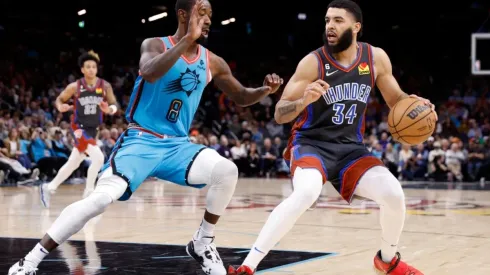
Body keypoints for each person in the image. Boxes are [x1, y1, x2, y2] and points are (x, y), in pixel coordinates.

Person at [8, 0, 283, 274]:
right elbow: (149, 72)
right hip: (141, 140)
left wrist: (264, 90)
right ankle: (29, 261)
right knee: (100, 200)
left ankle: (202, 242)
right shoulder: (155, 44)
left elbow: (240, 95)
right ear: (182, 15)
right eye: (202, 13)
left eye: (211, 14)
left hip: (178, 146)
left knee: (227, 170)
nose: (209, 19)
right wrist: (187, 39)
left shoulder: (213, 61)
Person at [227, 1, 436, 274]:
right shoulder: (313, 63)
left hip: (351, 150)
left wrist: (418, 106)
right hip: (311, 145)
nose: (330, 26)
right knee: (306, 192)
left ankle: (387, 259)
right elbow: (280, 113)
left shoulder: (375, 58)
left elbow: (396, 100)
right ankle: (247, 267)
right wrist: (304, 100)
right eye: (327, 21)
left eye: (338, 20)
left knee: (394, 194)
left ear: (356, 27)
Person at [40, 51, 118, 208]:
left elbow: (114, 105)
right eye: (87, 67)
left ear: (97, 69)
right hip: (78, 128)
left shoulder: (105, 86)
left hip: (93, 130)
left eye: (93, 67)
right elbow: (60, 99)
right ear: (82, 69)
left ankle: (49, 187)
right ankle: (89, 193)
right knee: (98, 158)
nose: (91, 69)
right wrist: (60, 106)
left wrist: (108, 109)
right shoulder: (75, 86)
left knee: (73, 163)